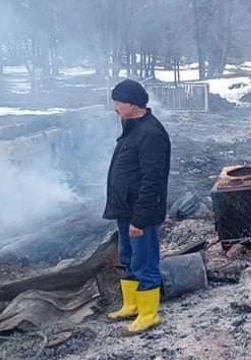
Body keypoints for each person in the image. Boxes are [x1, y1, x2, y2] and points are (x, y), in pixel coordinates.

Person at [103, 79, 171, 335]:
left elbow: (153, 180)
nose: (115, 107)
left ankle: (148, 314)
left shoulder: (150, 133)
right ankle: (131, 305)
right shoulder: (132, 128)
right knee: (129, 258)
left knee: (145, 262)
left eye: (118, 103)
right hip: (125, 210)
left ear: (132, 104)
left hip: (140, 214)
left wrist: (139, 219)